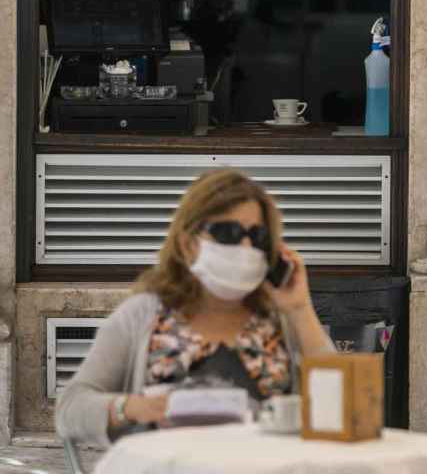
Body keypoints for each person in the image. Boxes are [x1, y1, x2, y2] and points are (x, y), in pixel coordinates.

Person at [56, 169, 335, 446]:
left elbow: (340, 404)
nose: (246, 245)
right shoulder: (143, 314)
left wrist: (300, 309)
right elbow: (70, 409)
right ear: (188, 244)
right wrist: (135, 407)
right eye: (228, 232)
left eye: (257, 235)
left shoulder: (279, 318)